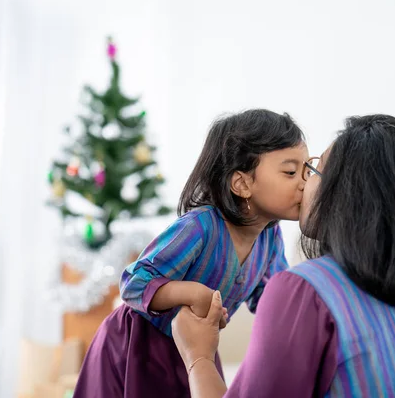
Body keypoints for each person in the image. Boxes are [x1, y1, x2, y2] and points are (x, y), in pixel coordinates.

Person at [172, 114, 395, 397]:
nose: (302, 184)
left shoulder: (306, 293)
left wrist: (198, 357)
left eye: (312, 170)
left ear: (347, 193)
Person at [73, 109, 309, 397]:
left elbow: (271, 300)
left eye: (307, 171)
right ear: (242, 184)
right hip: (138, 347)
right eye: (290, 172)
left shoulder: (270, 238)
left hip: (196, 350)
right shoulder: (200, 227)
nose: (303, 182)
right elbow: (133, 283)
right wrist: (193, 293)